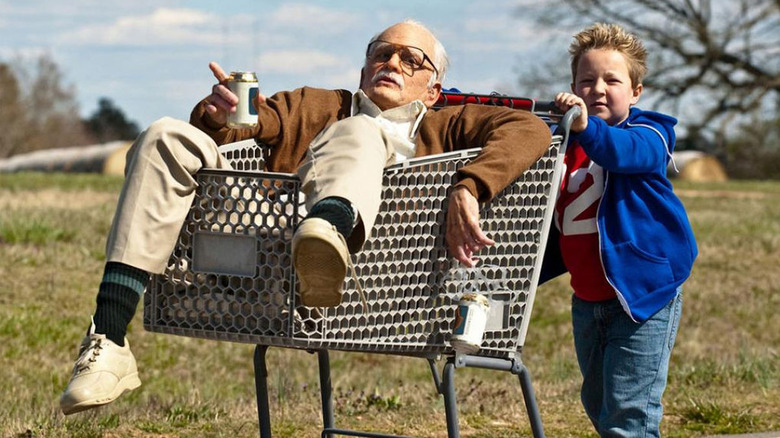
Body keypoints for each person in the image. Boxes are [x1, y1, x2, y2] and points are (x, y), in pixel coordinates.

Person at [59, 19, 552, 415]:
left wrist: (470, 185)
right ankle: (109, 336)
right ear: (362, 72)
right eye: (381, 53)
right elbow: (249, 128)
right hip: (264, 254)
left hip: (372, 280)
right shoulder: (320, 105)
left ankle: (329, 229)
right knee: (164, 134)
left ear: (432, 89)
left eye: (410, 58)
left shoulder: (450, 124)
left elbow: (530, 129)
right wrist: (219, 114)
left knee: (361, 132)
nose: (391, 62)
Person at [546, 23, 697, 437]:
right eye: (586, 80)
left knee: (629, 416)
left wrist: (584, 129)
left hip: (643, 296)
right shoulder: (562, 146)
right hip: (588, 300)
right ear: (572, 87)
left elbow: (621, 153)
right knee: (598, 404)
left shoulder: (650, 133)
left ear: (635, 92)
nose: (597, 89)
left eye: (612, 80)